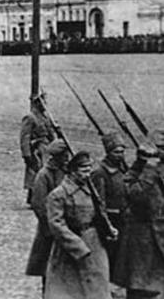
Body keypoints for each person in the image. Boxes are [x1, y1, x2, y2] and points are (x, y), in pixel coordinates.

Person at [44, 150, 111, 299]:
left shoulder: (90, 190)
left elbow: (99, 212)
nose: (88, 174)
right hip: (69, 249)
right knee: (68, 288)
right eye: (84, 170)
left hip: (94, 243)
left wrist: (109, 229)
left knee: (97, 285)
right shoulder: (58, 194)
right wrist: (77, 246)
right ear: (73, 171)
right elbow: (56, 224)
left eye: (89, 170)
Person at [113, 129, 164, 299]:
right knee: (141, 290)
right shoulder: (137, 171)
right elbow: (137, 196)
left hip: (158, 237)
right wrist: (148, 167)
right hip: (142, 242)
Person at [25, 139, 69, 293]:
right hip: (49, 229)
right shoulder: (44, 175)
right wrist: (51, 225)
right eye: (64, 156)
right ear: (56, 157)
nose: (67, 159)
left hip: (66, 228)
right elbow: (39, 204)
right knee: (47, 266)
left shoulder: (67, 172)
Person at [90, 131, 128, 277]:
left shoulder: (122, 170)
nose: (121, 155)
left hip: (124, 220)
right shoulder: (100, 173)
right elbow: (99, 203)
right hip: (111, 222)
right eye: (117, 152)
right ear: (108, 152)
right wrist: (107, 227)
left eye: (122, 151)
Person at [21, 94, 55, 205]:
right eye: (42, 102)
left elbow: (50, 133)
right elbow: (25, 137)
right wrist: (27, 154)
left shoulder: (46, 117)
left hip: (46, 148)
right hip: (36, 150)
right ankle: (33, 199)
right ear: (36, 103)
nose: (44, 105)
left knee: (44, 173)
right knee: (35, 174)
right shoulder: (30, 117)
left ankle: (40, 198)